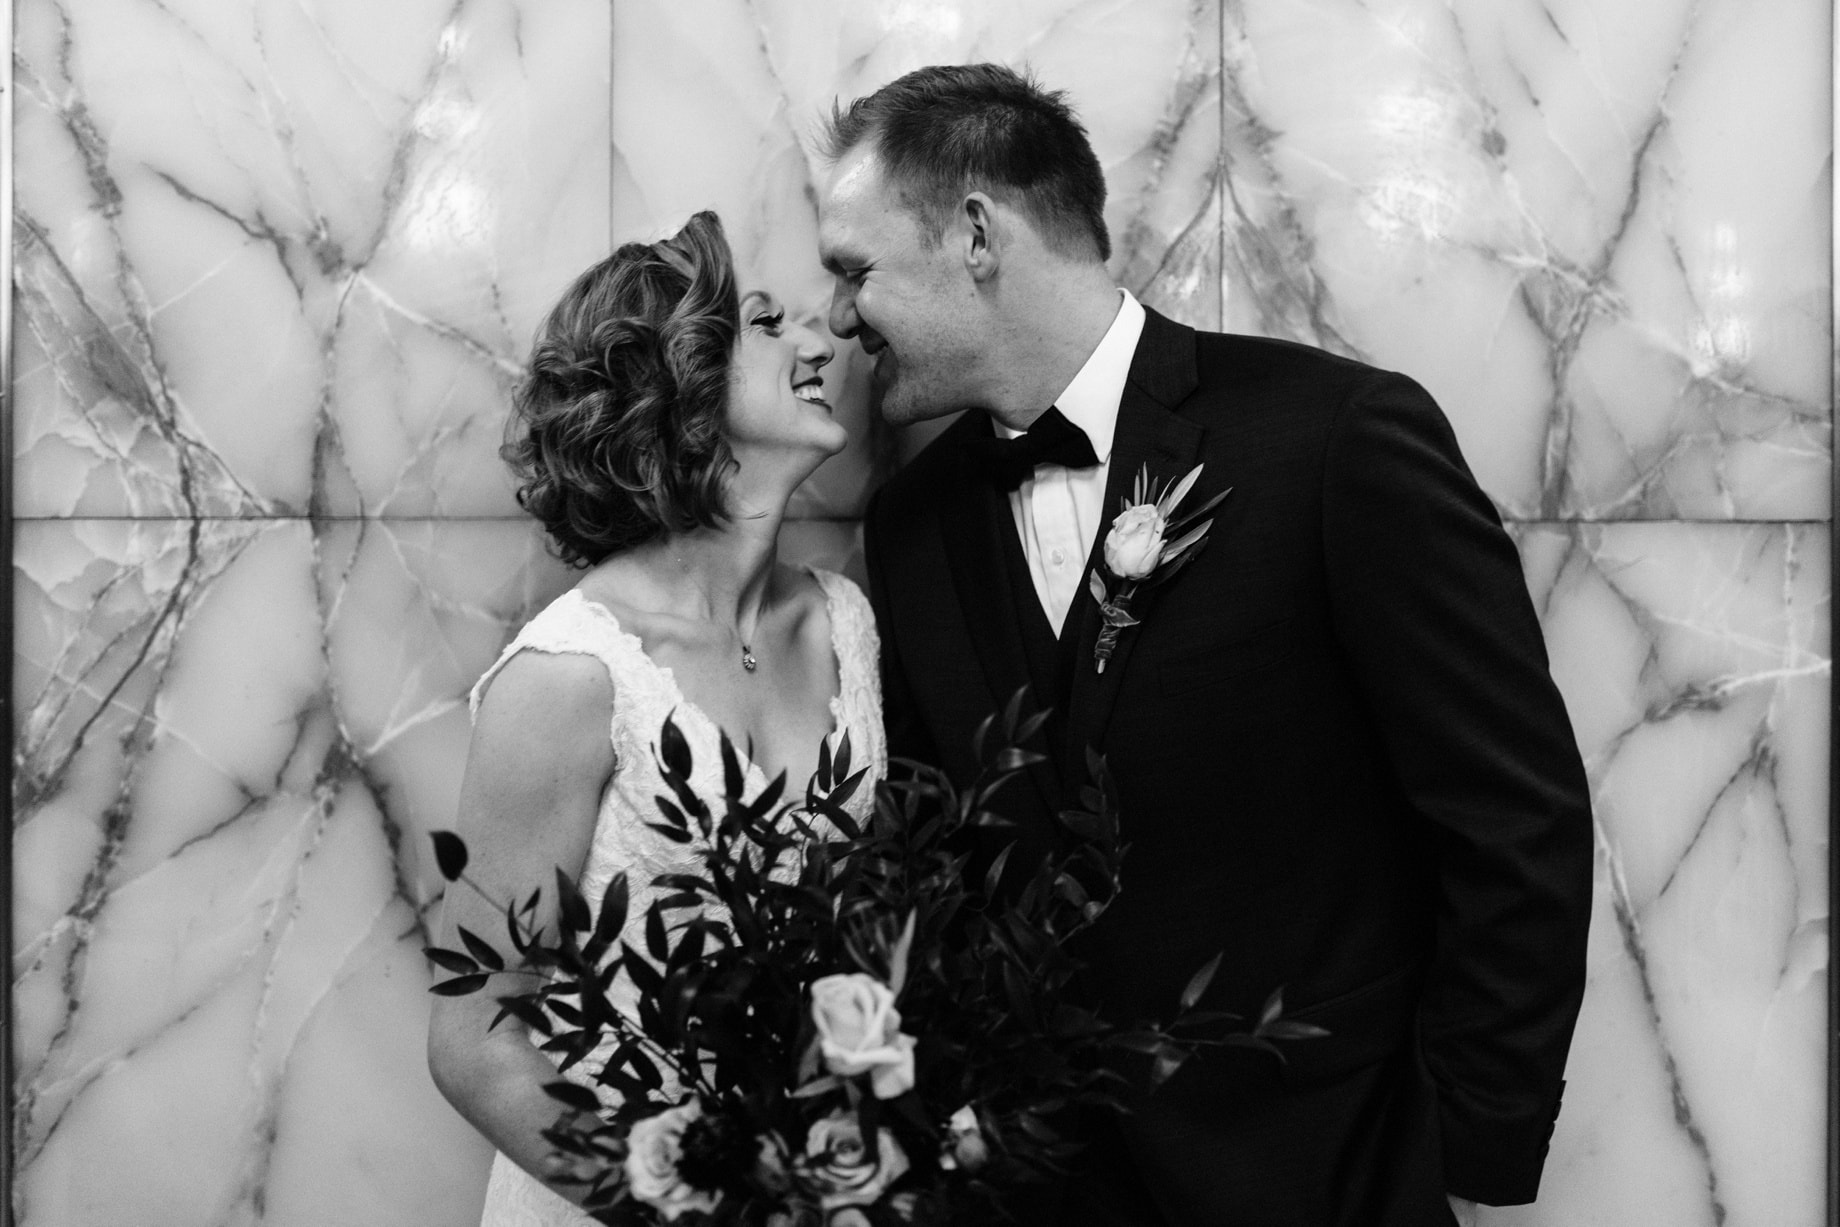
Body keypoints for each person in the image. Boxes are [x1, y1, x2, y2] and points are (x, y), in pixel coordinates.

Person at [817, 64, 1593, 1226]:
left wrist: (1466, 1153)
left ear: (976, 234)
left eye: (852, 271)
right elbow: (945, 869)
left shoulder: (1336, 440)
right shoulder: (911, 527)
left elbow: (1512, 818)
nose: (836, 319)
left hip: (1328, 1173)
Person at [426, 212, 886, 1227]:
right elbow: (474, 1042)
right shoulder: (571, 676)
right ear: (683, 385)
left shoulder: (843, 624)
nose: (823, 342)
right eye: (768, 325)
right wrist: (694, 1207)